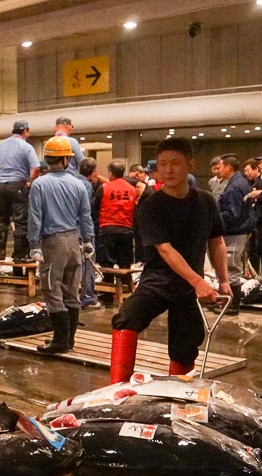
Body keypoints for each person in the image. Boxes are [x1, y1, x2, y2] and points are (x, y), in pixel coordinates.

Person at [109, 137, 230, 382]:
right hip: (158, 283)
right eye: (163, 164)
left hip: (188, 289)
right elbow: (165, 250)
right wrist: (199, 282)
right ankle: (117, 390)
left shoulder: (206, 202)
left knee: (186, 344)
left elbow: (216, 242)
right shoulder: (151, 206)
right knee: (127, 318)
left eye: (175, 163)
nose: (168, 169)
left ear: (190, 164)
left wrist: (224, 280)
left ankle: (178, 398)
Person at [28, 136, 94, 355]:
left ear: (47, 159)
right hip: (74, 241)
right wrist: (88, 241)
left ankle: (59, 342)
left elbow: (35, 218)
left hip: (52, 243)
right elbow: (86, 216)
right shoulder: (79, 184)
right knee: (71, 291)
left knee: (52, 290)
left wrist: (34, 245)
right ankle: (69, 340)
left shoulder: (39, 184)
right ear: (67, 159)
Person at [0, 120, 40, 261]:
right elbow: (36, 168)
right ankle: (19, 255)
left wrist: (0, 176)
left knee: (2, 219)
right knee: (20, 221)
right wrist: (29, 181)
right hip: (18, 185)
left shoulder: (1, 145)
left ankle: (0, 253)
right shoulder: (26, 147)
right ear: (26, 131)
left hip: (3, 185)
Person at [217, 154, 254, 314]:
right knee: (230, 267)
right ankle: (225, 302)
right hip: (239, 230)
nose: (218, 170)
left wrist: (215, 218)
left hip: (235, 232)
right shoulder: (240, 182)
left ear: (228, 167)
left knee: (231, 268)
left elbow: (232, 214)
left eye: (220, 167)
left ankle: (232, 305)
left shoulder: (234, 187)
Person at [78, 157, 103, 309]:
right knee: (87, 264)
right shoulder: (86, 185)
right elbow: (85, 212)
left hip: (67, 231)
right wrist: (88, 237)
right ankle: (87, 297)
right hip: (82, 230)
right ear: (92, 172)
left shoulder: (71, 180)